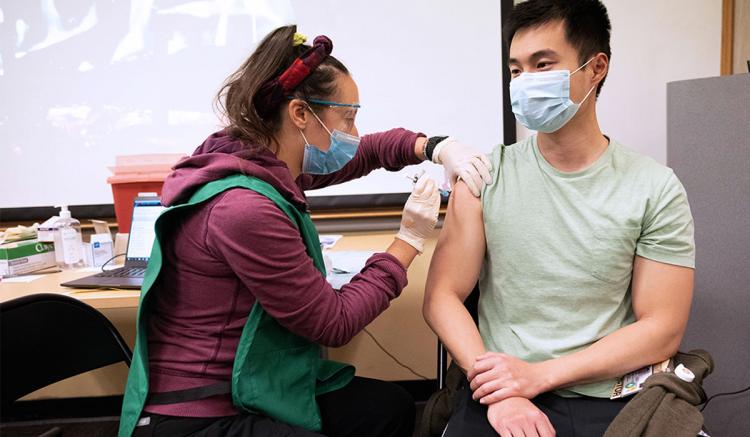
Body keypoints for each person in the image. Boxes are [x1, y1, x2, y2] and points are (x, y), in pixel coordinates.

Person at [118, 25, 492, 437]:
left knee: (386, 409)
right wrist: (409, 240)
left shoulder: (253, 160)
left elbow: (363, 152)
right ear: (300, 113)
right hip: (198, 410)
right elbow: (334, 323)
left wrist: (435, 146)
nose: (352, 133)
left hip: (250, 381)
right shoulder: (244, 207)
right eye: (347, 118)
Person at [423, 1, 696, 436]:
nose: (524, 82)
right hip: (500, 388)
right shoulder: (484, 176)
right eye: (516, 70)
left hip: (610, 392)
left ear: (596, 67)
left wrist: (541, 375)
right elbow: (442, 297)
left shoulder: (654, 188)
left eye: (542, 64)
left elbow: (661, 328)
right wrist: (505, 391)